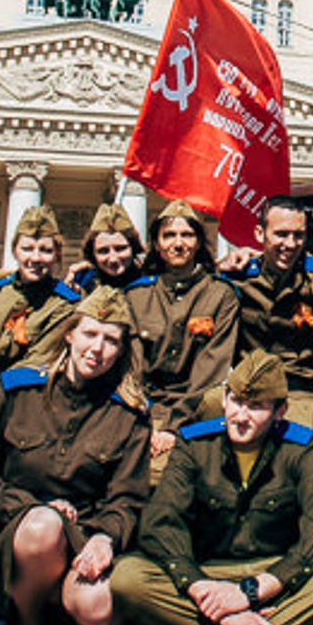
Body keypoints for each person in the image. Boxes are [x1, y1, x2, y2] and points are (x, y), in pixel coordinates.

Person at [111, 350, 313, 625]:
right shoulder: (194, 444)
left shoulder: (302, 447)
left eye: (255, 407)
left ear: (280, 411)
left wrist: (254, 592)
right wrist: (203, 590)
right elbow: (161, 522)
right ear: (224, 398)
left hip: (277, 578)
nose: (241, 416)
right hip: (209, 577)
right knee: (127, 578)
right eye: (236, 401)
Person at [0, 286, 151, 625]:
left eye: (111, 340)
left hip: (84, 536)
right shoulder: (17, 390)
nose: (98, 348)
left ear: (123, 349)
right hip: (19, 537)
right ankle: (24, 620)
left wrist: (105, 538)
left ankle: (63, 607)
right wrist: (30, 507)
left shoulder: (128, 413)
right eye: (90, 334)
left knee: (99, 612)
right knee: (42, 524)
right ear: (69, 334)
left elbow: (129, 496)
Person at [124, 199, 239, 481]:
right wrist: (146, 422)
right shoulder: (136, 297)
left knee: (168, 475)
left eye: (187, 235)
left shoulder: (220, 295)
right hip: (143, 408)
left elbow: (210, 370)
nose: (178, 244)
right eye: (169, 235)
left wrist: (171, 428)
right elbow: (132, 367)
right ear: (157, 244)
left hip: (194, 407)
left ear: (199, 242)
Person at [227, 196, 313, 430]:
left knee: (298, 440)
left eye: (298, 235)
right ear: (259, 234)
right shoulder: (239, 279)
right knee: (208, 410)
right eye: (281, 234)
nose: (290, 243)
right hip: (249, 389)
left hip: (300, 390)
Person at [0, 205, 80, 383]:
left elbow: (36, 361)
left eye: (45, 250)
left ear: (57, 255)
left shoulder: (65, 305)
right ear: (14, 251)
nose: (35, 258)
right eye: (27, 249)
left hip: (18, 399)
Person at [68, 203, 145, 293]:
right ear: (92, 254)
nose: (113, 259)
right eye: (103, 251)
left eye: (120, 249)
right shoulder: (81, 286)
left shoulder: (150, 286)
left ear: (133, 248)